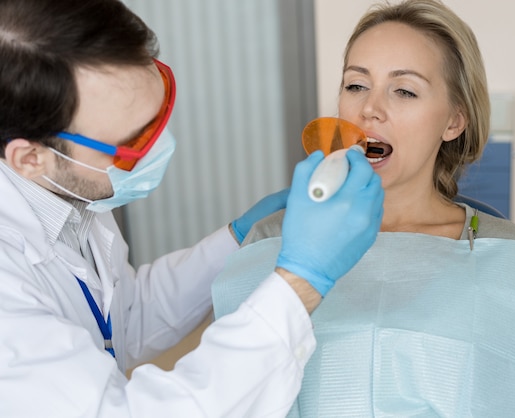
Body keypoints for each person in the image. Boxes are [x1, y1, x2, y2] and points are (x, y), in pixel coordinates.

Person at [0, 0, 384, 416]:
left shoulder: (68, 191)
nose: (161, 146)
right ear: (31, 159)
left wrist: (237, 238)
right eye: (134, 145)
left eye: (160, 107)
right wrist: (302, 280)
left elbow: (126, 314)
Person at [211, 0, 515, 416]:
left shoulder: (512, 255)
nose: (369, 109)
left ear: (454, 121)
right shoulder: (272, 240)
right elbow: (228, 392)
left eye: (404, 90)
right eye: (356, 85)